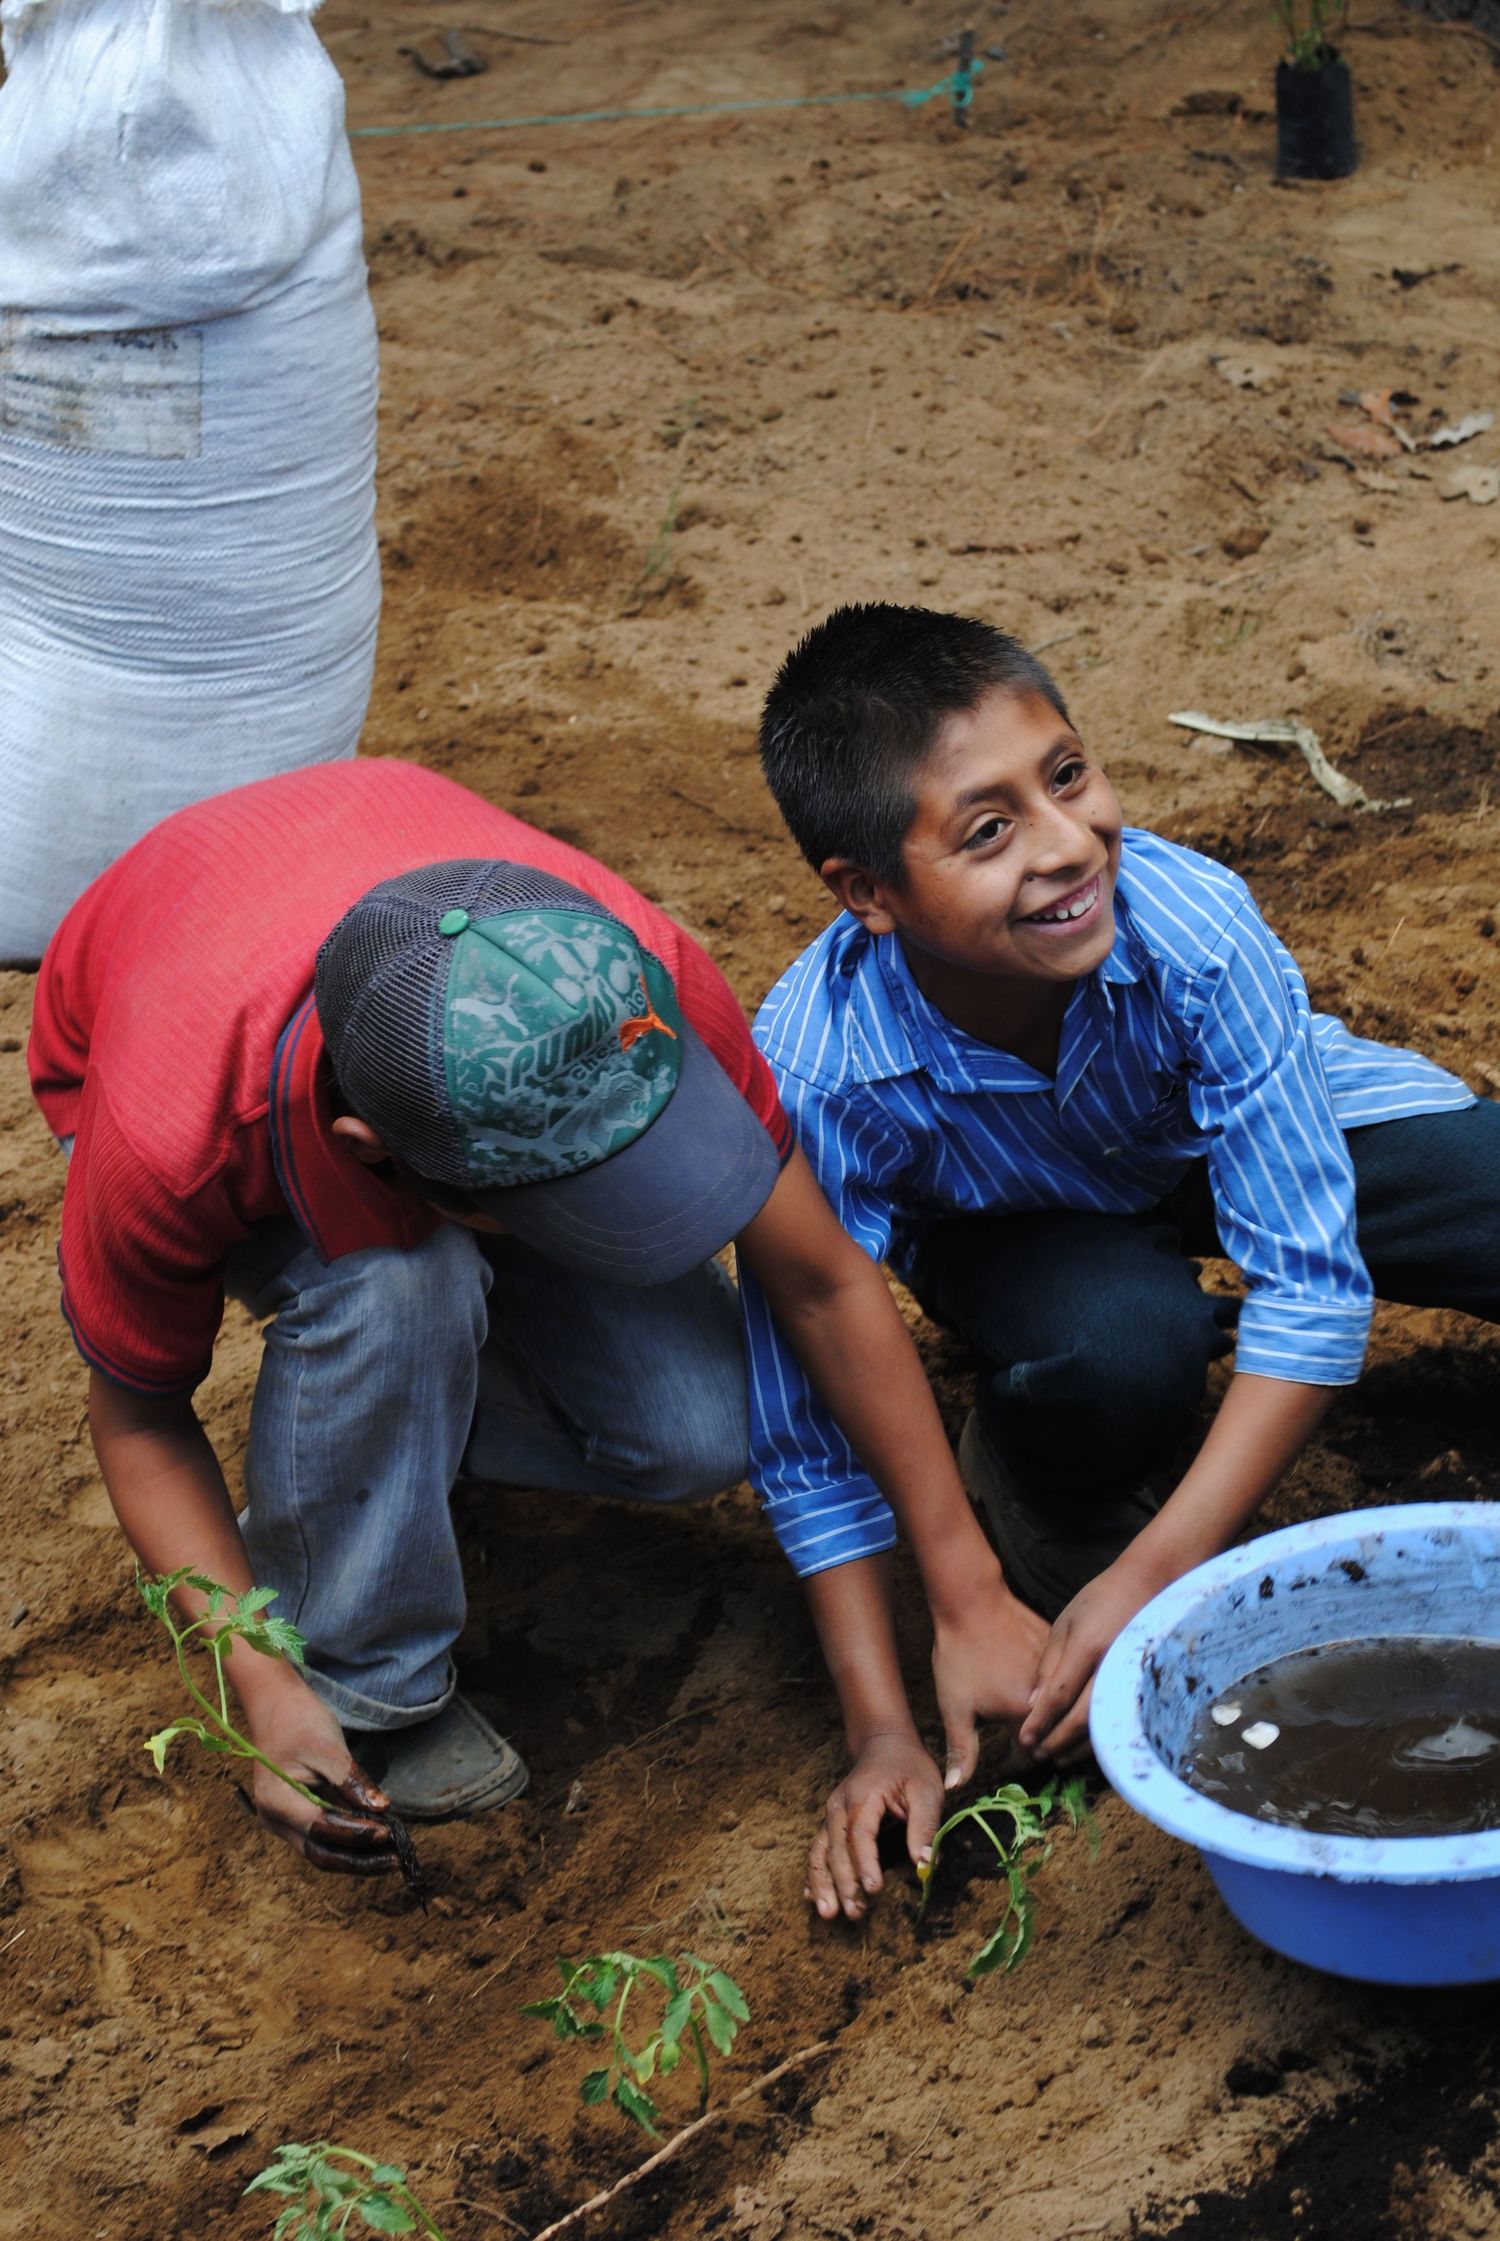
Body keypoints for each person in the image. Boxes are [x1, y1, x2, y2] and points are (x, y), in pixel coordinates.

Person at [29, 753, 1027, 1881]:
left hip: (364, 869)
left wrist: (966, 1591)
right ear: (379, 1158)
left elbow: (822, 1282)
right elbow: (141, 1420)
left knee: (702, 1424)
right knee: (399, 1285)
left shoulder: (629, 976)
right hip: (162, 1003)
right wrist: (261, 1683)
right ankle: (366, 1681)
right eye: (568, 1201)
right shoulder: (169, 1144)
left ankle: (396, 1424)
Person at [746, 601, 1498, 1922]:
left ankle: (1121, 1535)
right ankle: (1033, 1479)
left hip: (1214, 1134)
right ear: (866, 892)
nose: (1066, 844)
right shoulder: (819, 1065)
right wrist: (883, 1723)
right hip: (1012, 1221)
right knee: (1118, 1346)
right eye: (987, 831)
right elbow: (803, 1411)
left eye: (1069, 776)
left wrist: (1156, 1572)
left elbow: (1310, 1282)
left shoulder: (1189, 922)